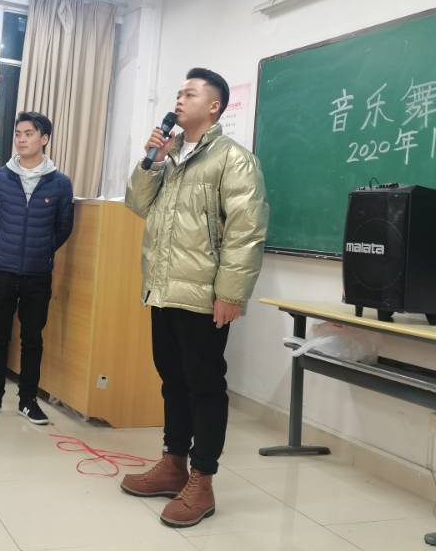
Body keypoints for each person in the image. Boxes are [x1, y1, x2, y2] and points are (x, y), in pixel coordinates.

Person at [121, 68, 269, 528]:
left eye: (190, 93)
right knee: (172, 378)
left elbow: (247, 231)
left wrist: (230, 293)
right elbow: (136, 204)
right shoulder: (171, 158)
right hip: (164, 288)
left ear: (214, 107)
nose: (179, 100)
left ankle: (202, 480)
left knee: (204, 385)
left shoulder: (234, 159)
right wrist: (152, 161)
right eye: (179, 93)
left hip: (204, 295)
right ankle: (173, 464)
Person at [0, 112, 74, 425]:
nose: (21, 139)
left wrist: (42, 250)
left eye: (29, 133)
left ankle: (28, 400)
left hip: (38, 273)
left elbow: (63, 227)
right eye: (18, 133)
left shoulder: (60, 183)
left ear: (44, 139)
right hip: (3, 268)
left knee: (32, 339)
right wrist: (1, 245)